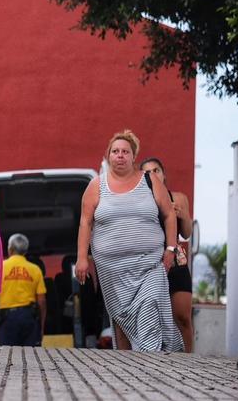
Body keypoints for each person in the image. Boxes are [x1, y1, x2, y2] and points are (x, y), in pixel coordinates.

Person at [75, 130, 184, 352]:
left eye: (125, 151)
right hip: (112, 272)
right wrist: (81, 258)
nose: (120, 155)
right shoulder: (96, 186)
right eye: (115, 151)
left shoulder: (149, 180)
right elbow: (85, 223)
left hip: (149, 265)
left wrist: (171, 248)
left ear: (134, 157)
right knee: (121, 318)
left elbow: (169, 214)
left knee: (149, 303)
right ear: (108, 156)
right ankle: (129, 365)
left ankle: (150, 359)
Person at [139, 157, 194, 352]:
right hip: (150, 263)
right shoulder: (139, 201)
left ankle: (189, 359)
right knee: (153, 318)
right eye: (148, 172)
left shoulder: (179, 198)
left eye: (157, 171)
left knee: (183, 317)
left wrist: (183, 216)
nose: (153, 175)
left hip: (176, 262)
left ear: (164, 175)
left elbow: (186, 233)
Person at [0, 233, 46, 346]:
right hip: (29, 317)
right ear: (25, 251)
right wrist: (41, 326)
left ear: (10, 249)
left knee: (8, 355)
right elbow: (42, 302)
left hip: (6, 319)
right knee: (31, 355)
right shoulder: (35, 270)